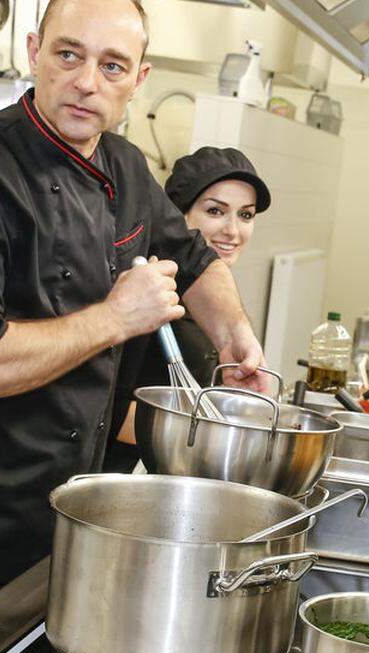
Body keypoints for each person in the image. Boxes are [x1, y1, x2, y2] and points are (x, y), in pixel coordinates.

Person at [0, 1, 268, 653]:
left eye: (112, 66)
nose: (86, 83)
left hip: (60, 532)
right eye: (69, 55)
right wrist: (115, 317)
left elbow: (195, 262)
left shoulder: (125, 167)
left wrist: (234, 335)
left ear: (140, 78)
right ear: (34, 49)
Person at [105, 146, 269, 471]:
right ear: (175, 220)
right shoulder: (151, 297)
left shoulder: (219, 304)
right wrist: (218, 433)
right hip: (127, 475)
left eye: (245, 215)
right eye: (214, 211)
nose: (233, 231)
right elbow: (111, 413)